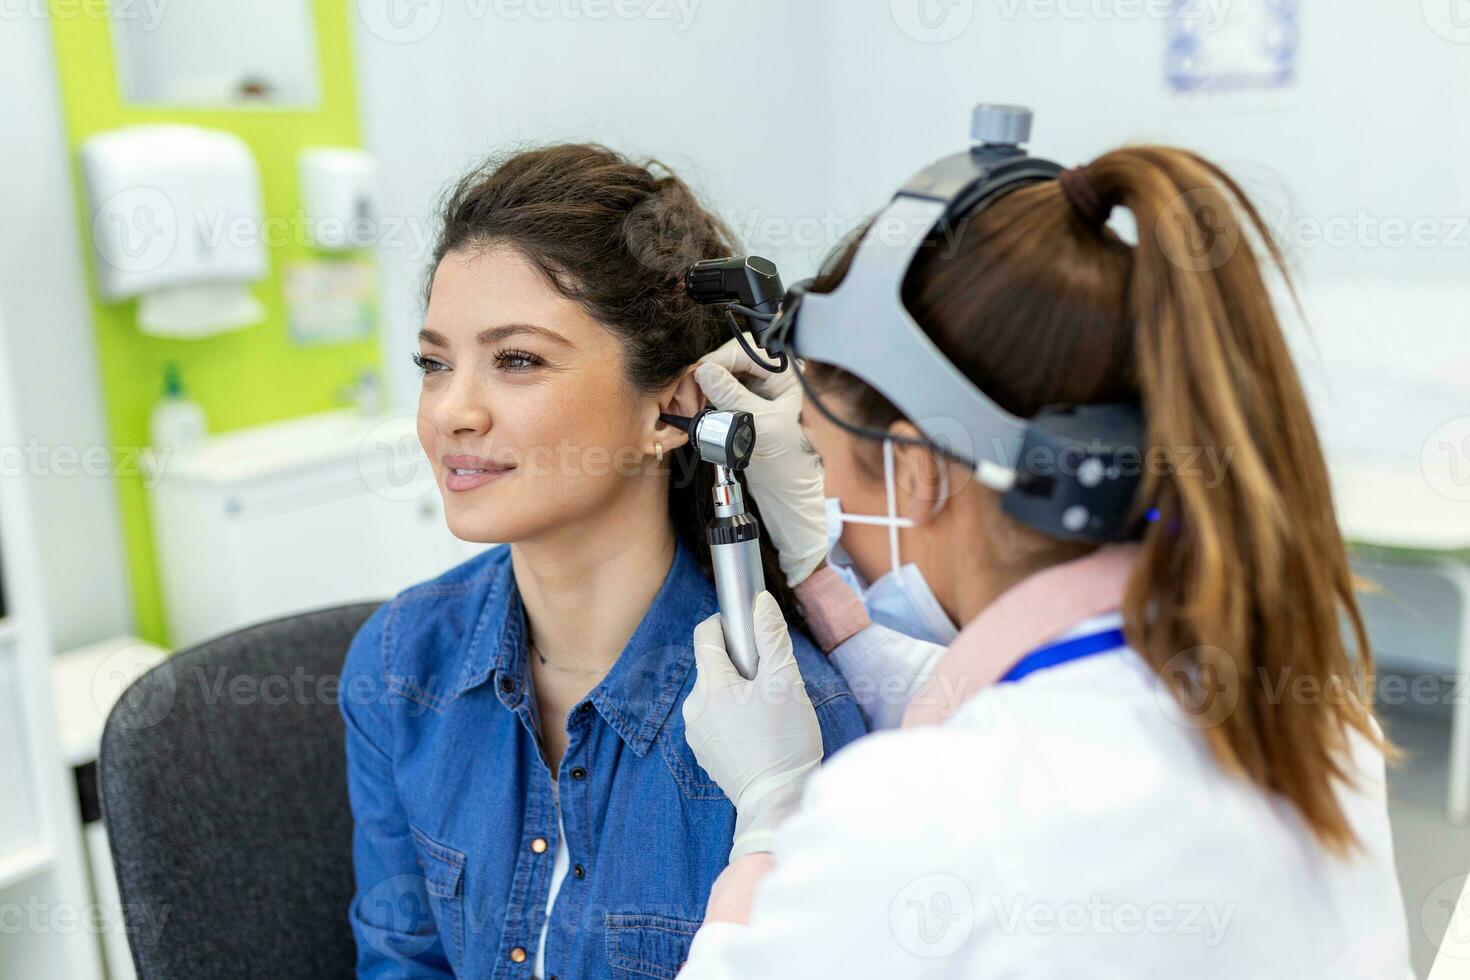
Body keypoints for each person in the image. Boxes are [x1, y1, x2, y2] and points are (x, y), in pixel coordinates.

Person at [679, 144, 1411, 976]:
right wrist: (827, 600)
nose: (827, 507)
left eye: (816, 452)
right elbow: (1032, 703)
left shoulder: (926, 818)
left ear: (914, 471)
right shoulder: (1308, 718)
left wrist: (771, 815)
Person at [338, 144, 867, 980]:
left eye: (517, 360)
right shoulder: (401, 663)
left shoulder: (785, 728)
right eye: (435, 363)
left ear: (674, 406)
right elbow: (402, 963)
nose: (452, 412)